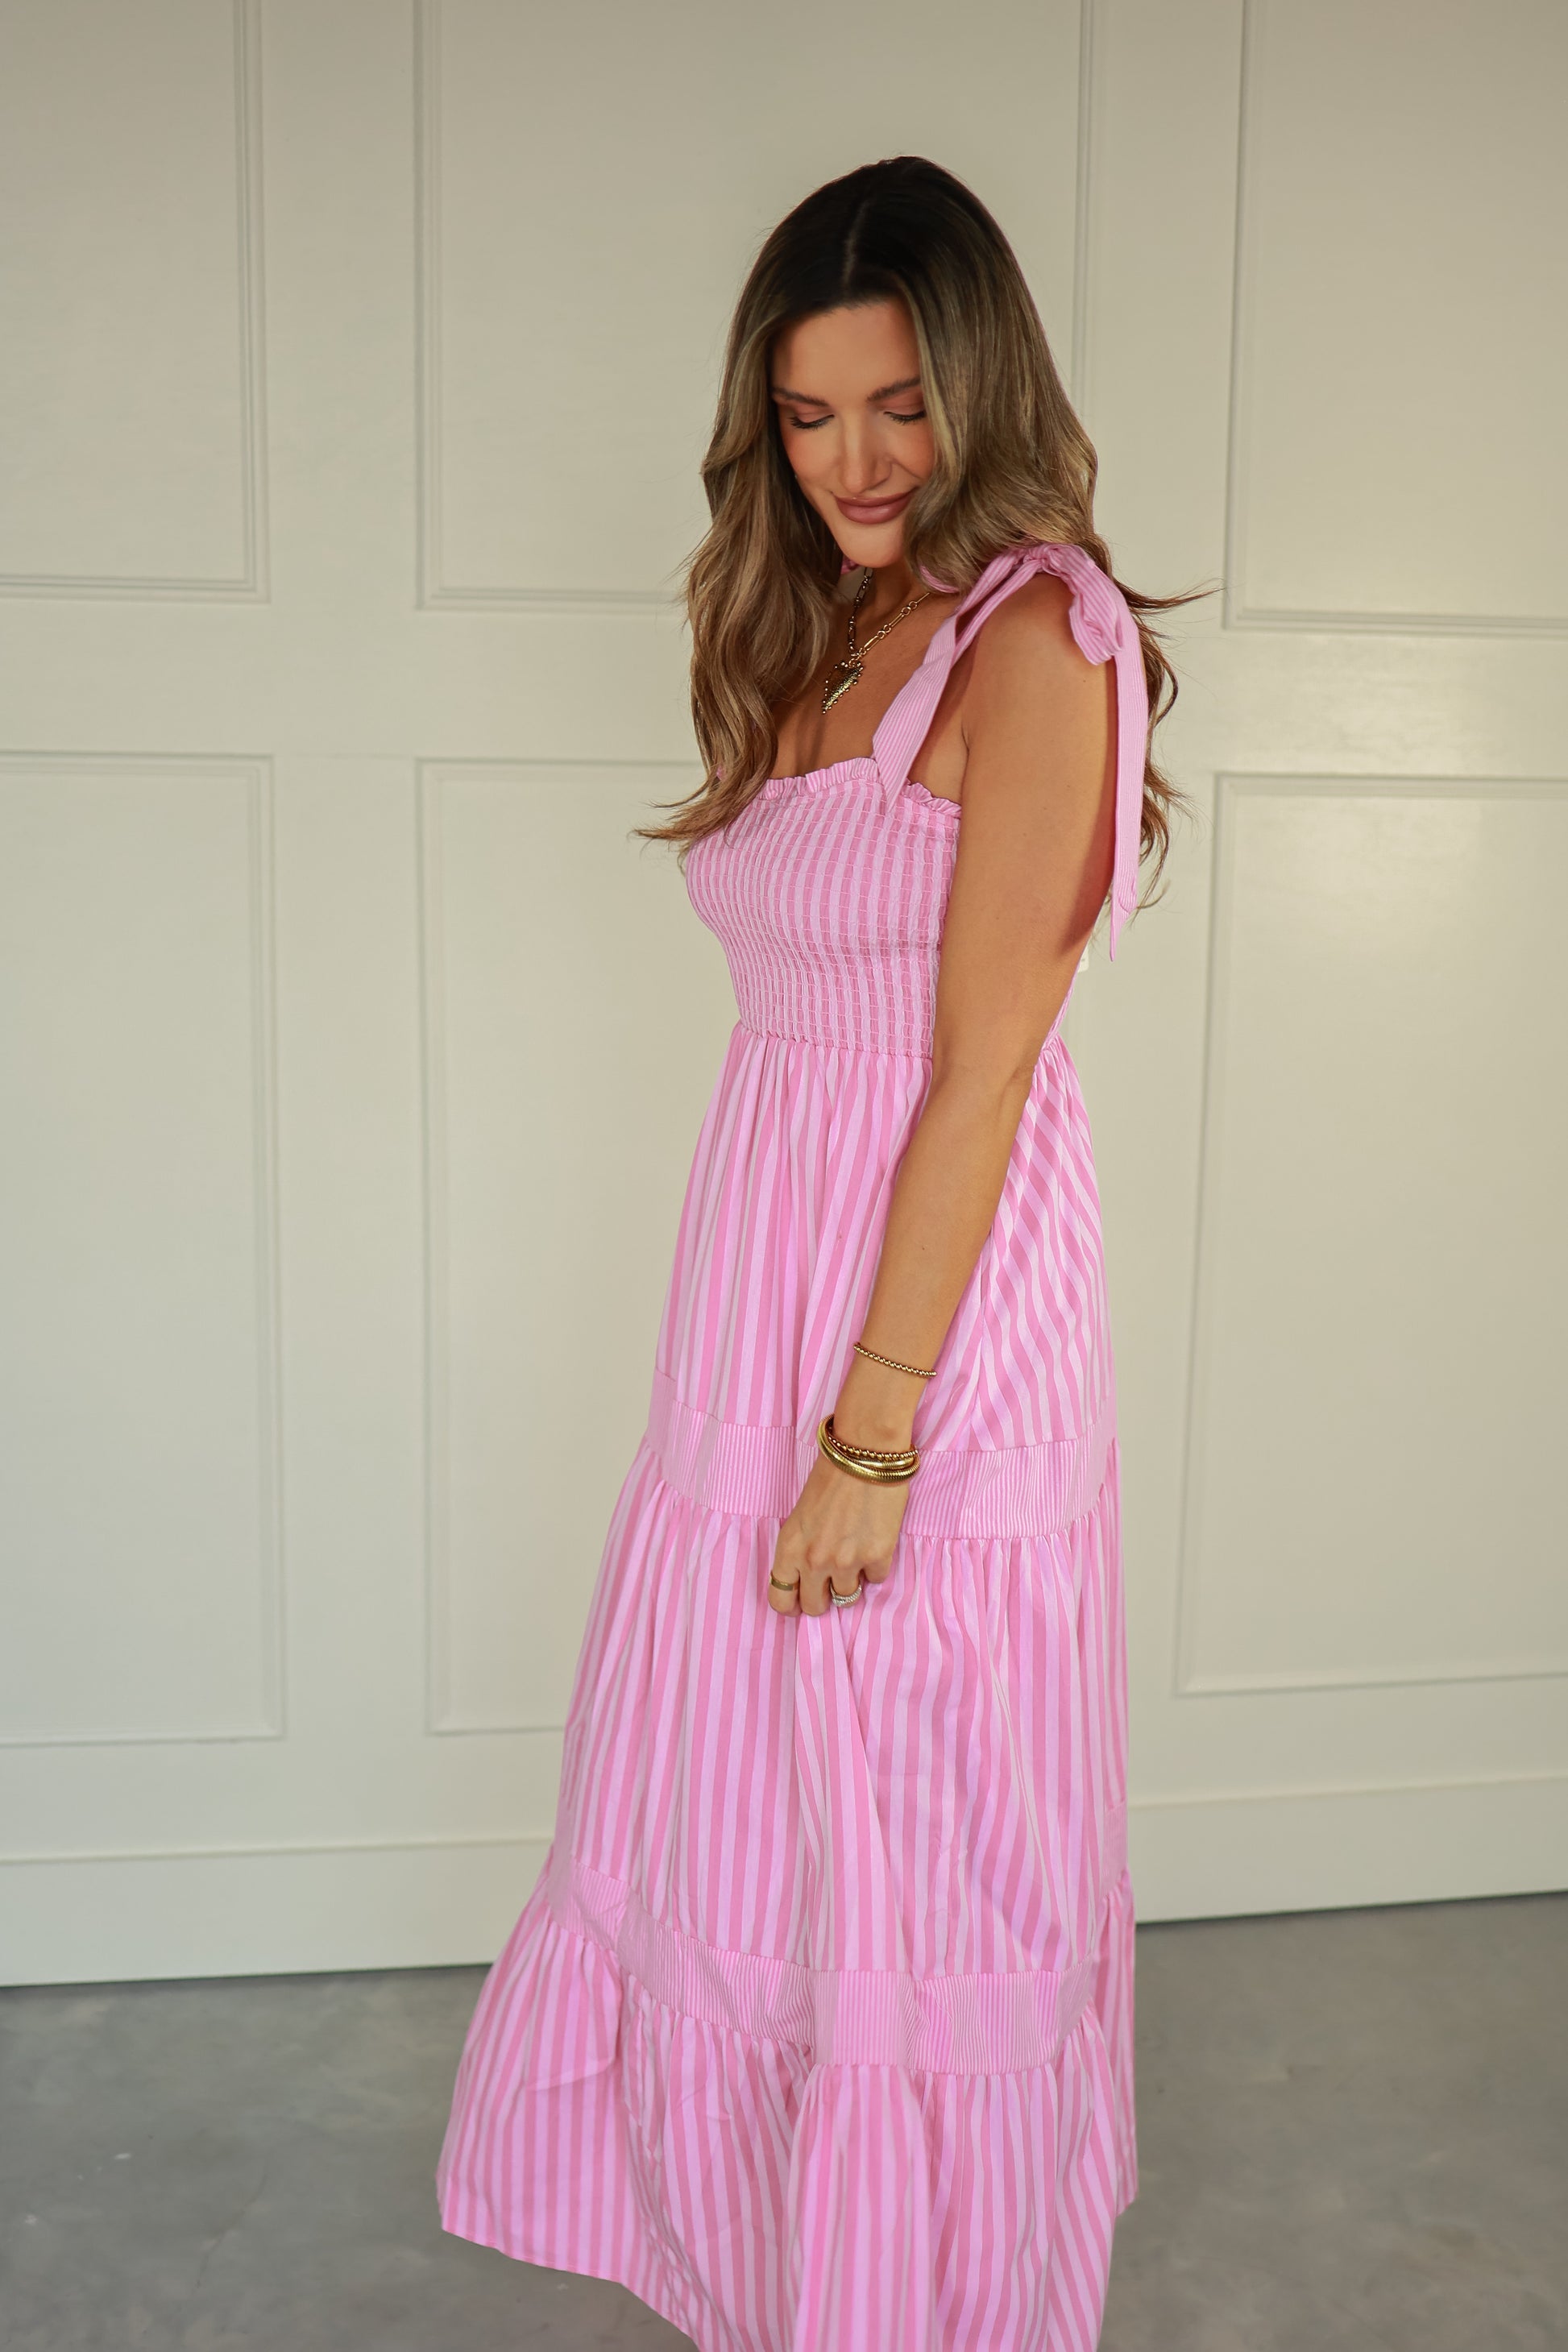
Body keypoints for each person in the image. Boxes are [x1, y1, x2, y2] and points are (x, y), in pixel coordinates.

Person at [438, 154, 1188, 2352]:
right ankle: (783, 2278)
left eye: (898, 406)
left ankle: (925, 2303)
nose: (853, 461)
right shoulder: (817, 622)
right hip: (759, 1278)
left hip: (927, 1317)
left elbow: (982, 1072)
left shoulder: (1039, 638)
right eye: (806, 414)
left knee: (911, 1831)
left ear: (982, 388)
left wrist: (872, 1438)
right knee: (757, 1809)